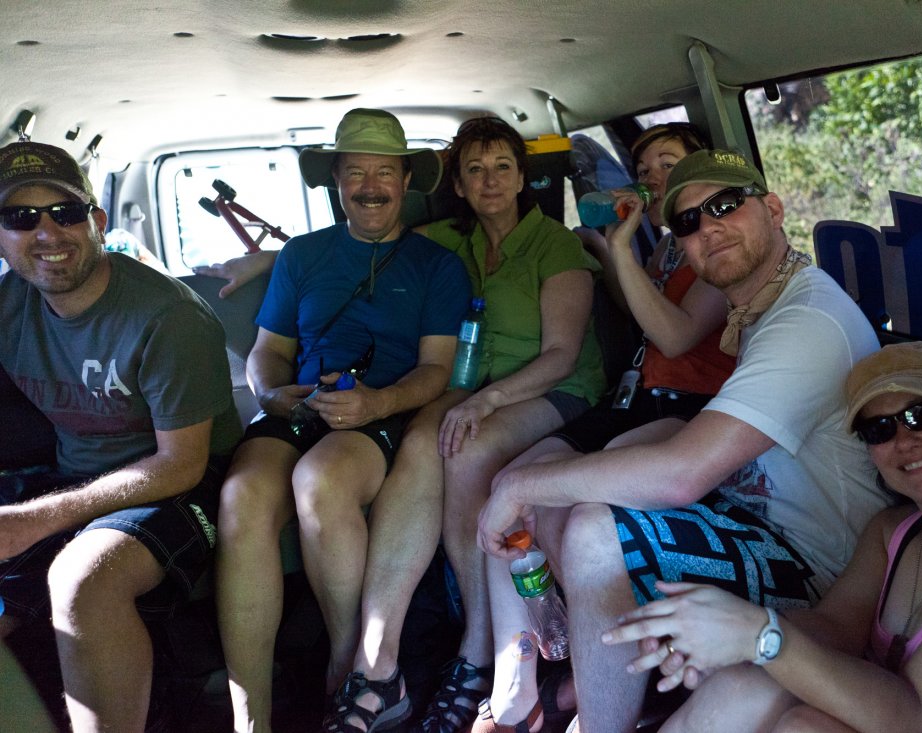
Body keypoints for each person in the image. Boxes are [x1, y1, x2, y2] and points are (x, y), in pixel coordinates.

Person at [478, 147, 893, 732]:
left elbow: (683, 474)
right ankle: (595, 684)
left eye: (726, 205)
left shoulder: (809, 319)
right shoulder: (757, 309)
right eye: (689, 222)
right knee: (582, 494)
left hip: (817, 565)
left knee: (599, 532)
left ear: (772, 209)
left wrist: (518, 483)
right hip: (756, 520)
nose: (709, 227)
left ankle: (600, 718)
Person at [213, 108, 471, 733]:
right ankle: (253, 718)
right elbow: (266, 352)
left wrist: (376, 404)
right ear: (336, 180)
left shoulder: (437, 266)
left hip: (379, 410)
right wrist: (272, 395)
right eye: (355, 171)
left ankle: (350, 667)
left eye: (385, 171)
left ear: (407, 181)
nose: (370, 185)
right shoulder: (302, 256)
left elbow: (439, 370)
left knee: (320, 480)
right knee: (241, 496)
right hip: (298, 404)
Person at [473, 122, 735, 730]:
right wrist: (602, 251)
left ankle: (611, 677)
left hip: (686, 409)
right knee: (513, 479)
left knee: (574, 496)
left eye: (667, 163)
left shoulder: (714, 253)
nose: (653, 179)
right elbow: (642, 318)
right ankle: (520, 676)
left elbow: (674, 333)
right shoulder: (668, 248)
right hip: (633, 397)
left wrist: (618, 250)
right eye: (644, 170)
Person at [604, 341, 922, 733]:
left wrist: (761, 636)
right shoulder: (894, 531)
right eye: (880, 429)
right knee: (744, 684)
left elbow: (921, 721)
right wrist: (718, 636)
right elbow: (836, 627)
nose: (905, 441)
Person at [0, 140, 241, 732]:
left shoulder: (168, 317)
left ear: (98, 222)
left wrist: (32, 520)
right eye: (20, 218)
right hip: (72, 474)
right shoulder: (8, 307)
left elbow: (181, 464)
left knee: (83, 579)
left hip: (185, 482)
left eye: (65, 213)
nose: (47, 233)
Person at [414, 116, 606, 733]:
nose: (490, 180)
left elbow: (562, 357)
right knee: (430, 446)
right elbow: (374, 242)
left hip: (562, 394)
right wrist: (267, 265)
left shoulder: (555, 245)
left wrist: (485, 402)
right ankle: (468, 625)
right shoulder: (452, 239)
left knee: (467, 451)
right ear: (461, 187)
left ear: (523, 178)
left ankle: (477, 647)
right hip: (483, 393)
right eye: (475, 169)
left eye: (503, 167)